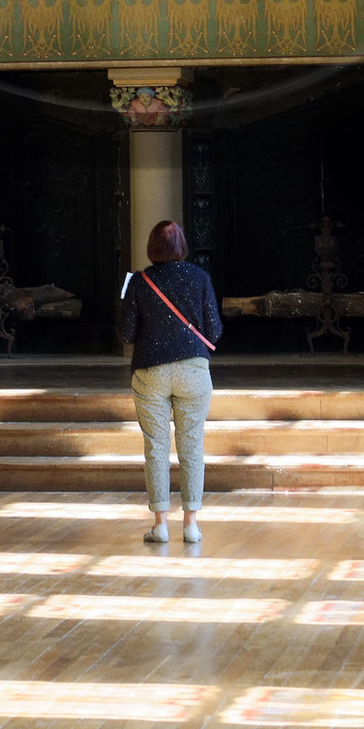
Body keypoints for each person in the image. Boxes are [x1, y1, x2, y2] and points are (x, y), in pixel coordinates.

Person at [119, 220, 222, 545]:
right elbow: (214, 330)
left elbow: (126, 333)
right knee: (192, 446)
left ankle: (160, 525)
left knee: (156, 448)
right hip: (193, 371)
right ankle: (191, 525)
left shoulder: (139, 281)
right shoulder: (200, 278)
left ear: (152, 247)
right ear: (182, 247)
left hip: (150, 373)